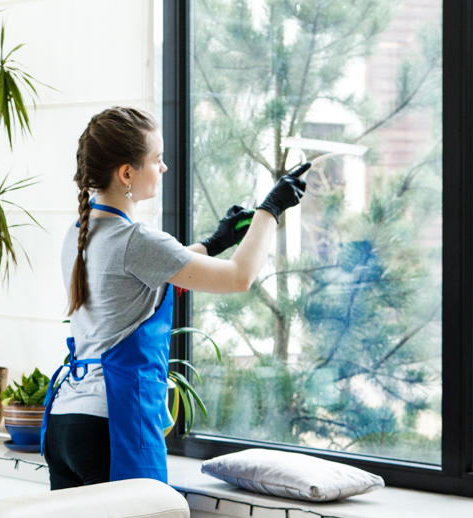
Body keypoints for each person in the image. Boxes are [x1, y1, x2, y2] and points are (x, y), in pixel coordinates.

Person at [42, 107, 309, 489]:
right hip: (113, 425)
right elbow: (239, 277)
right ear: (127, 173)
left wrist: (215, 242)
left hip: (67, 424)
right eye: (157, 159)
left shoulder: (80, 232)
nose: (164, 168)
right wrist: (271, 210)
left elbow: (148, 272)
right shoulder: (136, 239)